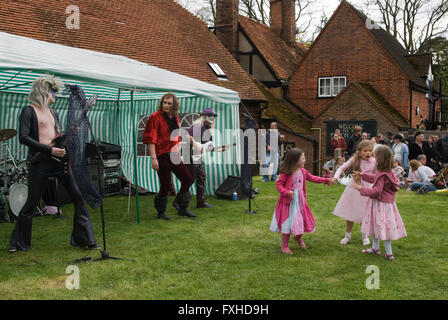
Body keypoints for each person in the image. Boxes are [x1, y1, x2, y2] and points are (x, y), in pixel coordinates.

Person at [8, 75, 99, 252]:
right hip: (41, 162)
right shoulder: (28, 111)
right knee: (31, 203)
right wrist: (49, 150)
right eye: (53, 92)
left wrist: (71, 132)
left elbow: (55, 134)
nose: (55, 95)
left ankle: (86, 240)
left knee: (78, 198)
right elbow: (23, 137)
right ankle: (18, 243)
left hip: (60, 161)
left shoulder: (53, 112)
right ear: (44, 91)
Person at [270, 148, 334, 254]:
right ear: (295, 160)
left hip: (300, 201)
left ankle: (298, 238)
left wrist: (326, 180)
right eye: (303, 158)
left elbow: (313, 178)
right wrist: (287, 192)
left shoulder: (303, 172)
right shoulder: (286, 173)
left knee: (301, 220)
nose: (305, 160)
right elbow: (279, 185)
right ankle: (285, 246)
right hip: (289, 203)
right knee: (288, 223)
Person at [144, 92, 196, 220]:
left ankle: (182, 207)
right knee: (166, 185)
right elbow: (151, 139)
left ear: (174, 105)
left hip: (174, 154)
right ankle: (161, 212)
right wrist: (154, 158)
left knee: (187, 179)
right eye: (164, 103)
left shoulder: (174, 117)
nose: (166, 105)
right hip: (161, 155)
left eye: (169, 103)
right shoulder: (155, 117)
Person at [353, 145, 407, 261]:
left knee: (383, 227)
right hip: (385, 205)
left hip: (380, 205)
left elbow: (377, 190)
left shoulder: (382, 174)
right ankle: (375, 248)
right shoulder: (388, 172)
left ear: (380, 160)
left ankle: (389, 253)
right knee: (374, 225)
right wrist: (364, 175)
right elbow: (375, 178)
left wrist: (361, 188)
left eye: (376, 158)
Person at [333, 140, 376, 246]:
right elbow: (342, 168)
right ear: (359, 151)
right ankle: (347, 235)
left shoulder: (375, 161)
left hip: (367, 188)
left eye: (370, 151)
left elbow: (377, 175)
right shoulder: (355, 159)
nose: (368, 153)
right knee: (350, 212)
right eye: (365, 151)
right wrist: (335, 177)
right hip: (354, 187)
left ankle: (364, 236)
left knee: (365, 212)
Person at [185, 108, 229, 208]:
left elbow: (209, 148)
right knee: (190, 179)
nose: (212, 118)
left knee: (201, 177)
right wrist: (196, 146)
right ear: (204, 117)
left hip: (197, 157)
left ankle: (201, 202)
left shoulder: (208, 130)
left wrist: (221, 149)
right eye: (209, 115)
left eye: (213, 116)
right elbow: (188, 137)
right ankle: (178, 202)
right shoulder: (198, 126)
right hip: (190, 155)